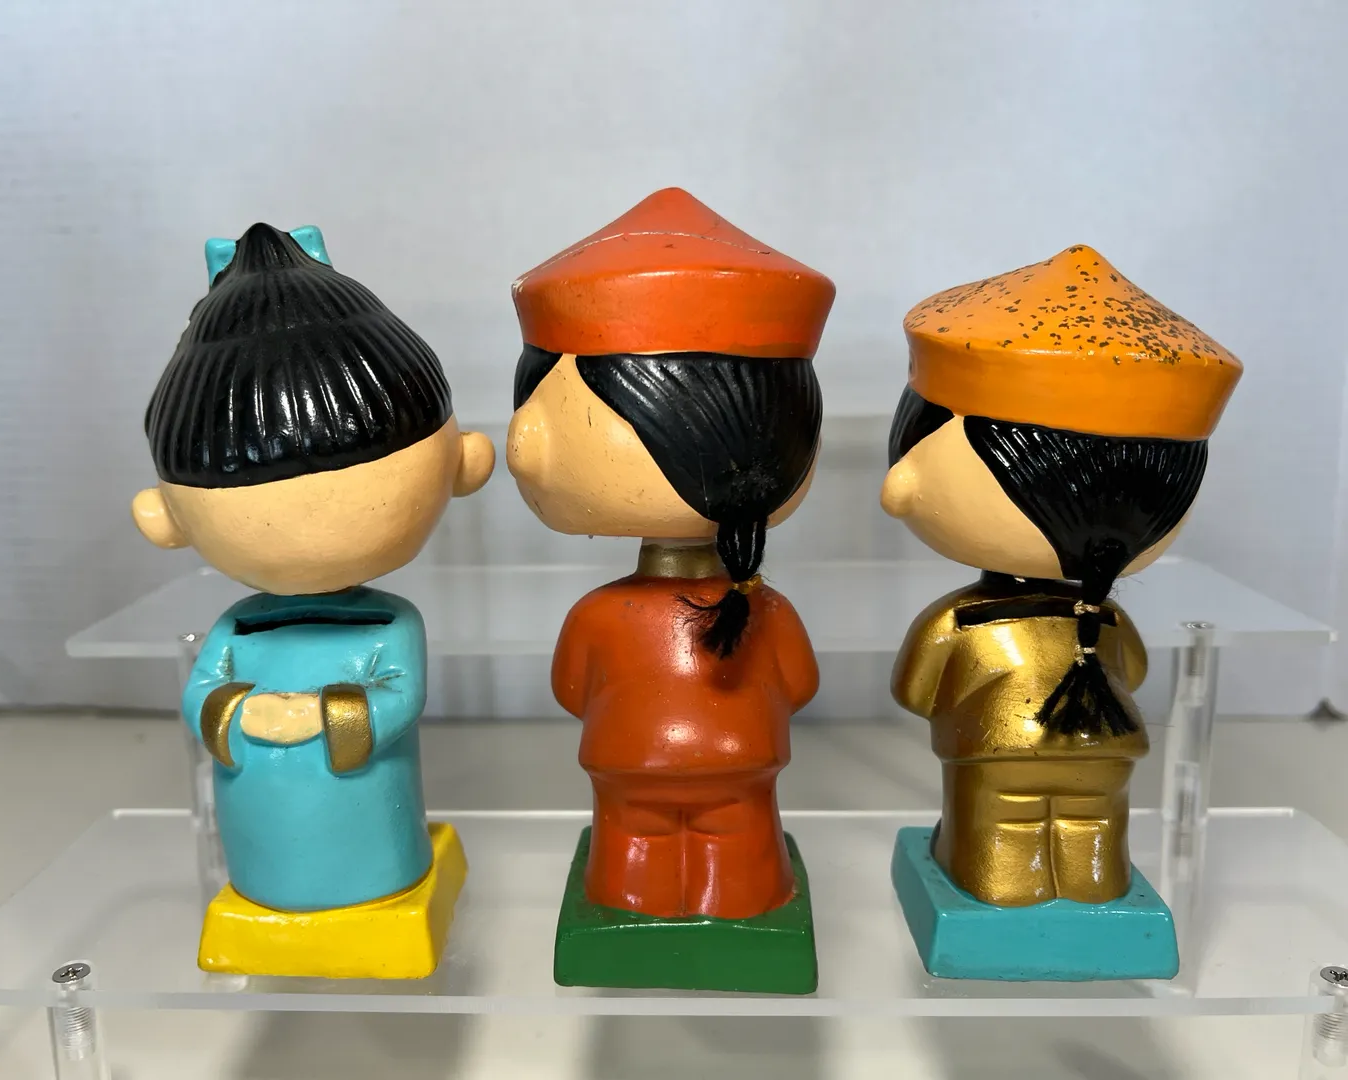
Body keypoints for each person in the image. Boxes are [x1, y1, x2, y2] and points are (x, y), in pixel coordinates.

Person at [133, 222, 494, 977]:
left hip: (368, 823)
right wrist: (238, 713)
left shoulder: (391, 625)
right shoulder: (236, 629)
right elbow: (202, 696)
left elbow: (399, 698)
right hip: (258, 816)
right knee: (270, 855)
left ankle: (376, 889)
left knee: (368, 848)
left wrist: (321, 716)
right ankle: (271, 893)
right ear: (166, 518)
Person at [882, 245, 1241, 975]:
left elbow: (913, 693)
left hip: (997, 750)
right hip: (1108, 746)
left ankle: (1000, 891)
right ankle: (1094, 888)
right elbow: (1133, 674)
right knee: (1089, 827)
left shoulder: (958, 623)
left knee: (1002, 836)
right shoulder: (1108, 623)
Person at [508, 188, 833, 993]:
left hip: (627, 759)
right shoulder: (766, 605)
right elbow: (800, 684)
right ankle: (739, 901)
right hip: (742, 760)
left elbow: (570, 690)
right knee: (737, 846)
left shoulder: (600, 612)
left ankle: (632, 906)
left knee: (633, 846)